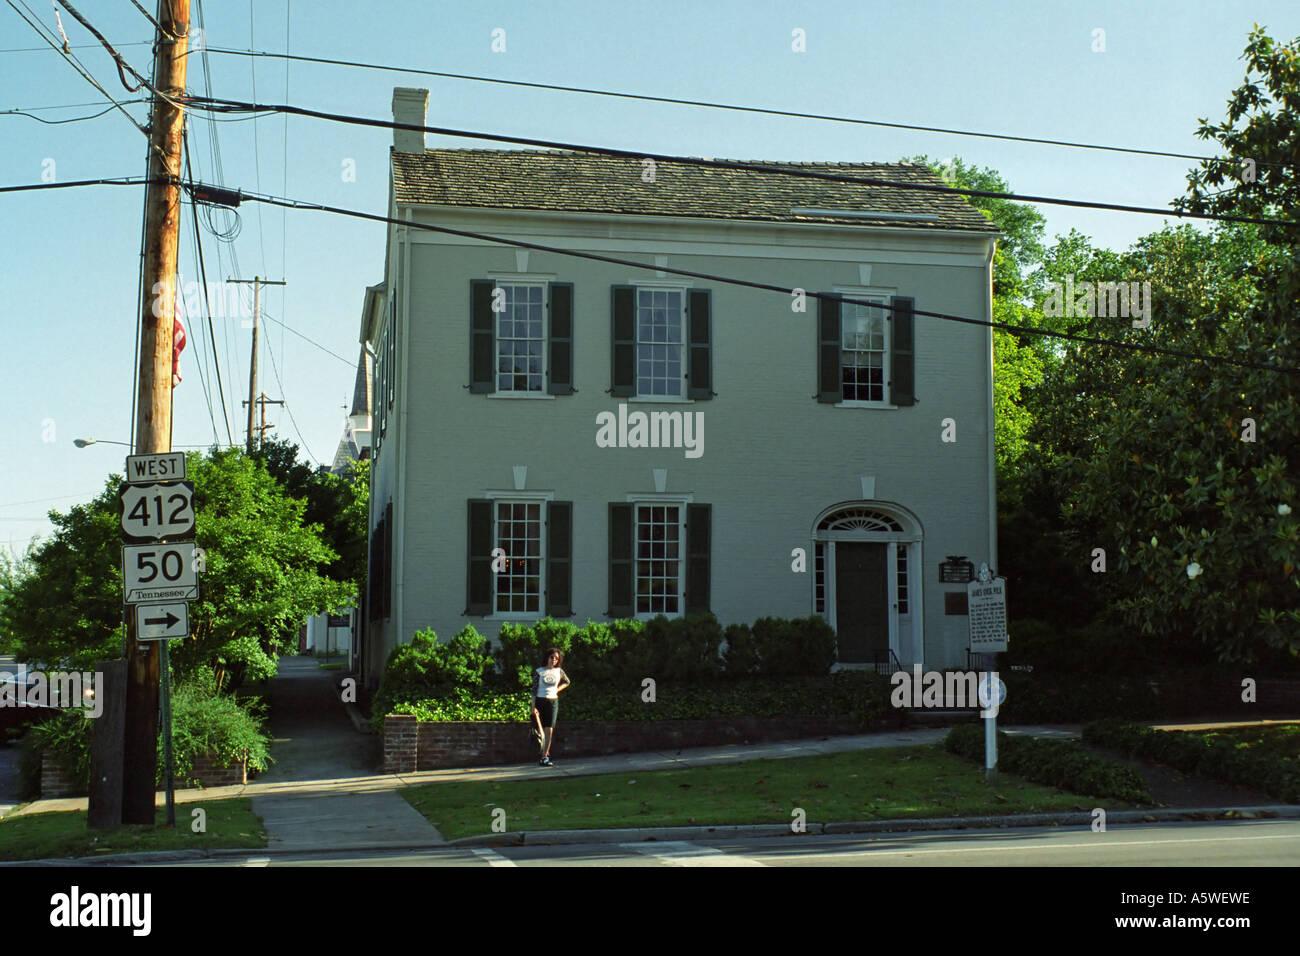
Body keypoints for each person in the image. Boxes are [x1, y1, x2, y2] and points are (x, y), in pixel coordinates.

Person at [530, 647, 570, 767]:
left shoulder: (559, 671)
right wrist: (533, 707)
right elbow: (534, 690)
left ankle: (545, 757)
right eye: (552, 657)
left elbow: (567, 682)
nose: (553, 660)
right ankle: (542, 753)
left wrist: (557, 690)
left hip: (552, 702)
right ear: (547, 657)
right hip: (540, 701)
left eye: (556, 658)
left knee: (550, 730)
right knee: (540, 731)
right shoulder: (539, 671)